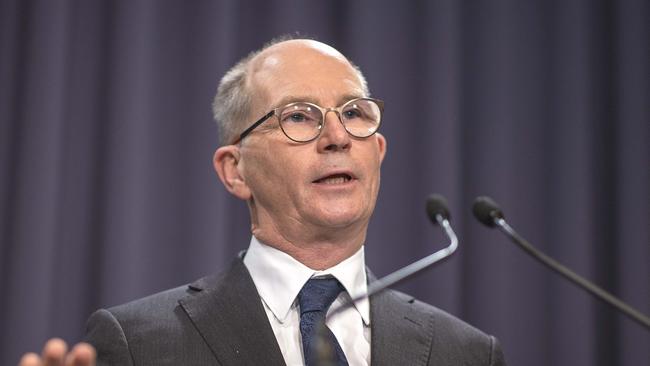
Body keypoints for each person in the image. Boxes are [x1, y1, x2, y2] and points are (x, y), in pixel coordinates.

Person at [19, 38, 506, 366]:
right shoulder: (138, 343)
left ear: (377, 152)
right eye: (299, 117)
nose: (337, 136)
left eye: (354, 113)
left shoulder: (463, 351)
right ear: (236, 170)